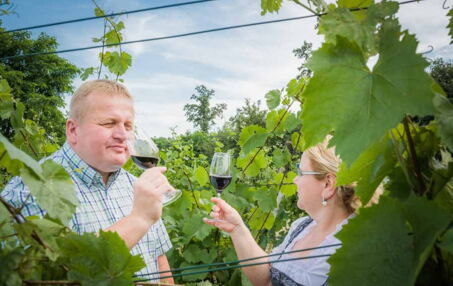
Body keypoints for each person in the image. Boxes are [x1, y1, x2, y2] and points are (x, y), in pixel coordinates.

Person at [1, 79, 174, 283]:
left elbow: (159, 260)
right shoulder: (31, 188)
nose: (122, 135)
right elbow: (57, 275)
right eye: (109, 123)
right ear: (73, 130)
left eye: (128, 125)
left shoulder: (135, 185)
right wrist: (139, 220)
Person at [204, 136, 360, 286]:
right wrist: (237, 229)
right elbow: (266, 280)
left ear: (328, 184)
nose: (294, 179)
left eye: (300, 172)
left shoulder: (353, 250)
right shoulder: (302, 227)